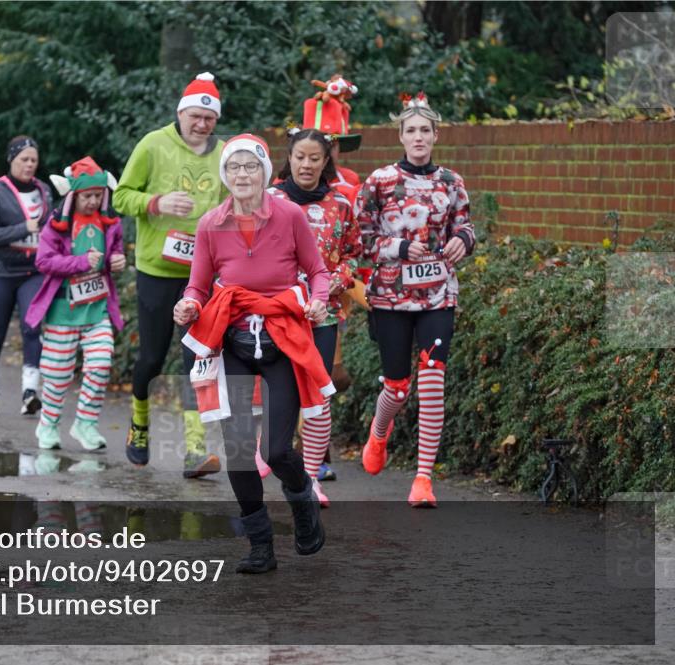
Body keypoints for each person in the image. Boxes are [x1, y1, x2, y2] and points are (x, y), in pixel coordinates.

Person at [175, 134, 333, 574]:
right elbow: (198, 285)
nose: (242, 174)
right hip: (234, 342)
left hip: (283, 338)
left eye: (250, 166)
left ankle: (302, 500)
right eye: (234, 167)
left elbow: (318, 271)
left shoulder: (290, 215)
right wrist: (188, 304)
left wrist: (318, 300)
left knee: (278, 451)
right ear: (224, 174)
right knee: (240, 450)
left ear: (264, 172)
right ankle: (260, 545)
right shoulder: (210, 223)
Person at [354, 92, 475, 508]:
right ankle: (379, 432)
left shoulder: (452, 182)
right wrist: (400, 248)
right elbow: (360, 239)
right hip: (390, 295)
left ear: (436, 135)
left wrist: (463, 241)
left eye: (426, 130)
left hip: (438, 294)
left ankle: (423, 478)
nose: (419, 137)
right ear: (401, 136)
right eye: (412, 130)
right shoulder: (380, 181)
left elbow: (466, 226)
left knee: (434, 376)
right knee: (398, 386)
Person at [113, 72, 227, 478]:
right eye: (196, 116)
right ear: (181, 114)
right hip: (157, 271)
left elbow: (232, 207)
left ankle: (195, 449)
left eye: (209, 119)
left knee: (197, 359)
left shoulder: (224, 153)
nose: (202, 124)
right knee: (152, 357)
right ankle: (139, 423)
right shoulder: (153, 144)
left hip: (201, 276)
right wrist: (157, 203)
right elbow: (121, 196)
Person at [268, 125, 362, 507]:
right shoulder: (269, 200)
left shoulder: (340, 204)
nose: (306, 165)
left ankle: (311, 478)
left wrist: (338, 280)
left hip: (323, 314)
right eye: (300, 157)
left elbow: (353, 254)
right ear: (289, 159)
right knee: (281, 389)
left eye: (314, 158)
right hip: (279, 312)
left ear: (326, 162)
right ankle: (270, 453)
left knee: (319, 393)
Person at [25, 157, 125, 451]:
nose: (93, 201)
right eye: (87, 196)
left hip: (97, 308)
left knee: (101, 363)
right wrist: (80, 262)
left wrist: (116, 260)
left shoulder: (111, 223)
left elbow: (114, 252)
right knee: (57, 375)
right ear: (74, 195)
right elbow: (44, 261)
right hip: (62, 311)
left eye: (98, 195)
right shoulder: (58, 225)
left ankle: (85, 424)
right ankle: (48, 424)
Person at [0, 136, 53, 417]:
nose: (29, 165)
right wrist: (23, 228)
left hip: (33, 272)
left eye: (34, 160)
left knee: (32, 328)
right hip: (0, 272)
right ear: (12, 160)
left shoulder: (44, 190)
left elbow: (51, 228)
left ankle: (30, 392)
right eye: (24, 159)